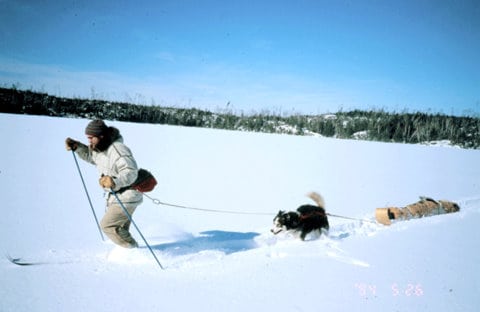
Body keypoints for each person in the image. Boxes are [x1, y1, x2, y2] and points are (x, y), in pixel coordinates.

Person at [65, 119, 142, 248]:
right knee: (120, 229)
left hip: (127, 194)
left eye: (91, 138)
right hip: (117, 195)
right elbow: (92, 157)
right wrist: (78, 147)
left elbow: (131, 172)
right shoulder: (101, 148)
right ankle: (128, 256)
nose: (89, 141)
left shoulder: (118, 149)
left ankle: (135, 252)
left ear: (101, 136)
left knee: (108, 226)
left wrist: (114, 181)